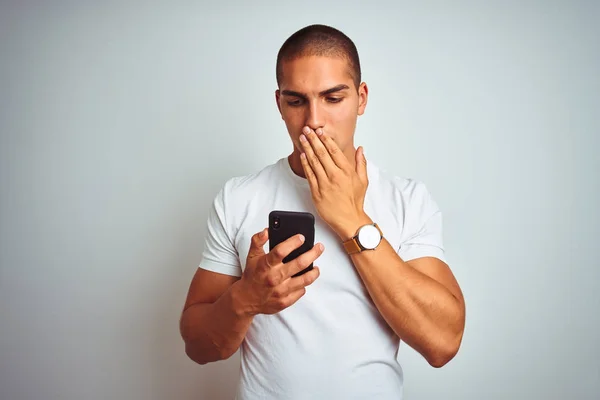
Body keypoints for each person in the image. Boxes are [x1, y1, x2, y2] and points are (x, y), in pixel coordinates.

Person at [180, 24, 466, 399]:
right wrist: (245, 300)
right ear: (280, 103)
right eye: (297, 101)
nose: (314, 120)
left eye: (333, 98)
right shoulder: (238, 197)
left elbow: (443, 343)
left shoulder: (407, 199)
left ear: (361, 98)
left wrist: (351, 219)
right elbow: (198, 348)